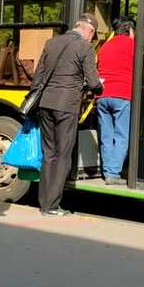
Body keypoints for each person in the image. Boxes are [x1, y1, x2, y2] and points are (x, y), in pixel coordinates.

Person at [32, 13, 103, 216]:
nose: (91, 39)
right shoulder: (85, 47)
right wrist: (99, 88)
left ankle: (43, 202)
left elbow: (38, 77)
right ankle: (52, 206)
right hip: (67, 106)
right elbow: (92, 81)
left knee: (48, 154)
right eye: (93, 35)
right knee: (63, 155)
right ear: (89, 31)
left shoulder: (51, 42)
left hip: (45, 104)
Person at [96, 16, 136, 185]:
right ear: (130, 30)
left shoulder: (105, 46)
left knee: (106, 135)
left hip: (103, 96)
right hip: (122, 94)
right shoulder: (132, 45)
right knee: (121, 135)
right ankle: (113, 174)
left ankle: (107, 172)